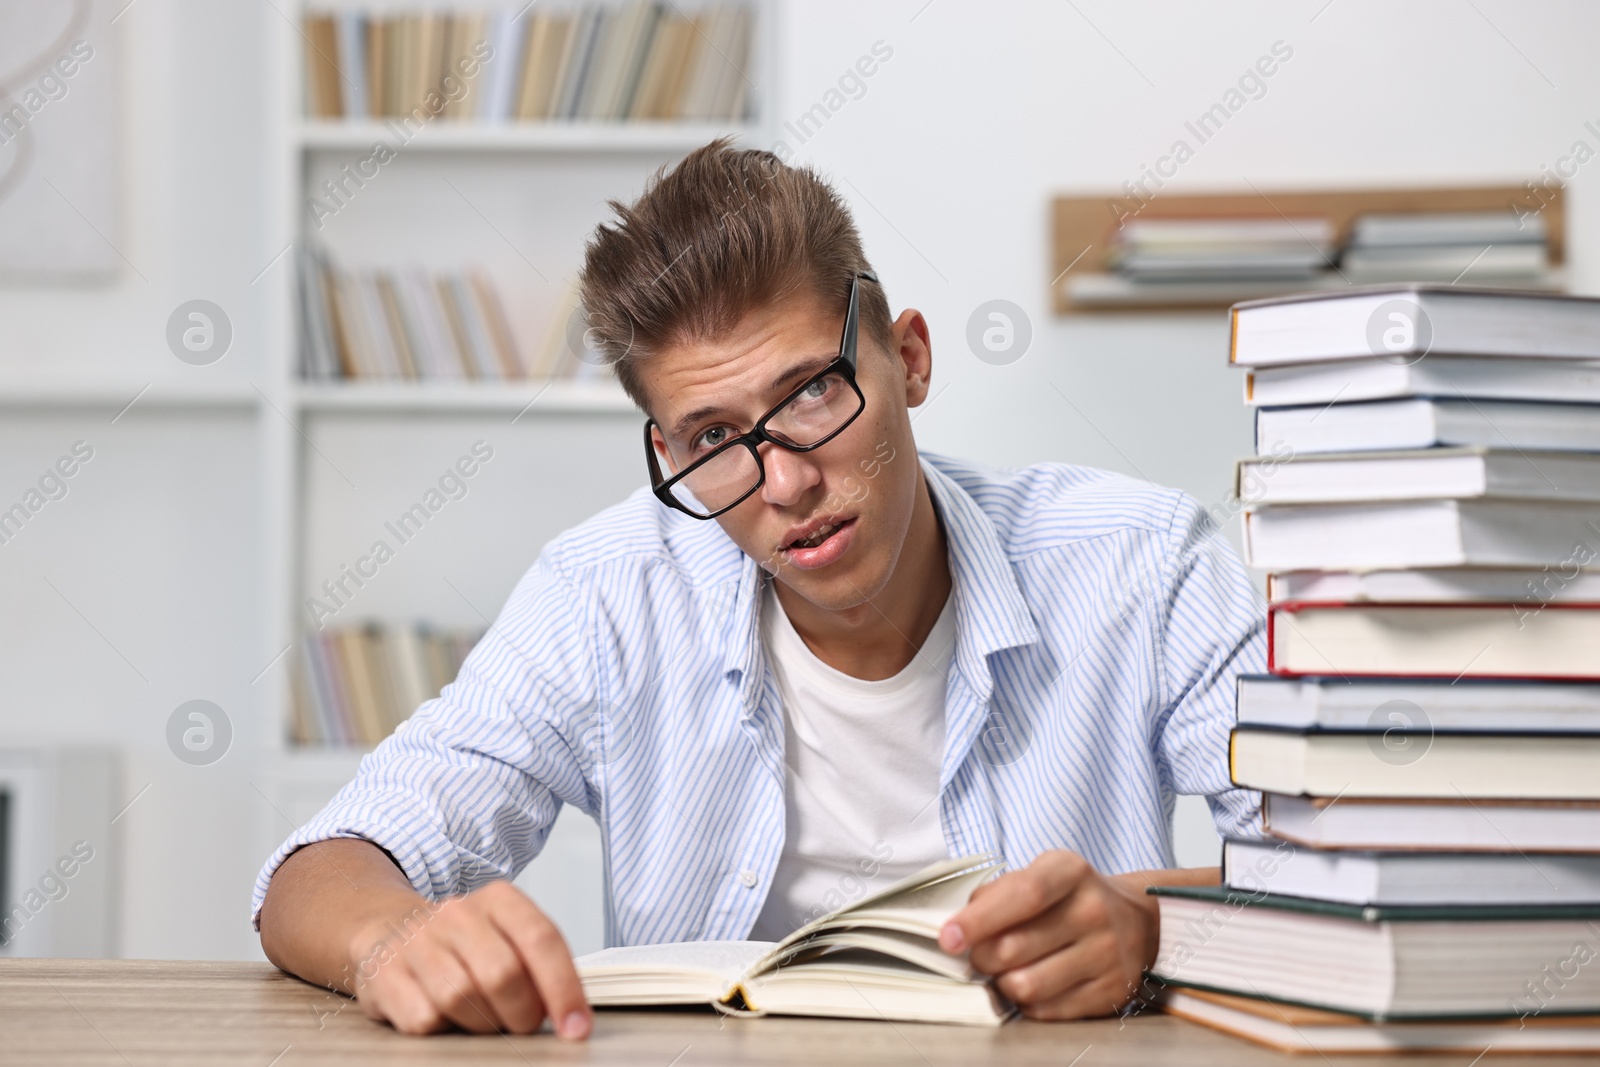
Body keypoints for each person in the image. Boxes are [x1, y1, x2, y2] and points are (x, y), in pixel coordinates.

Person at [255, 138, 1264, 1038]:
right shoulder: (607, 592)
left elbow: (1360, 873)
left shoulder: (1139, 560)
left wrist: (1152, 927)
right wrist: (395, 942)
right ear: (666, 450)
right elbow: (318, 868)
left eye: (812, 391)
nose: (783, 482)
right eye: (711, 439)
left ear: (906, 357)